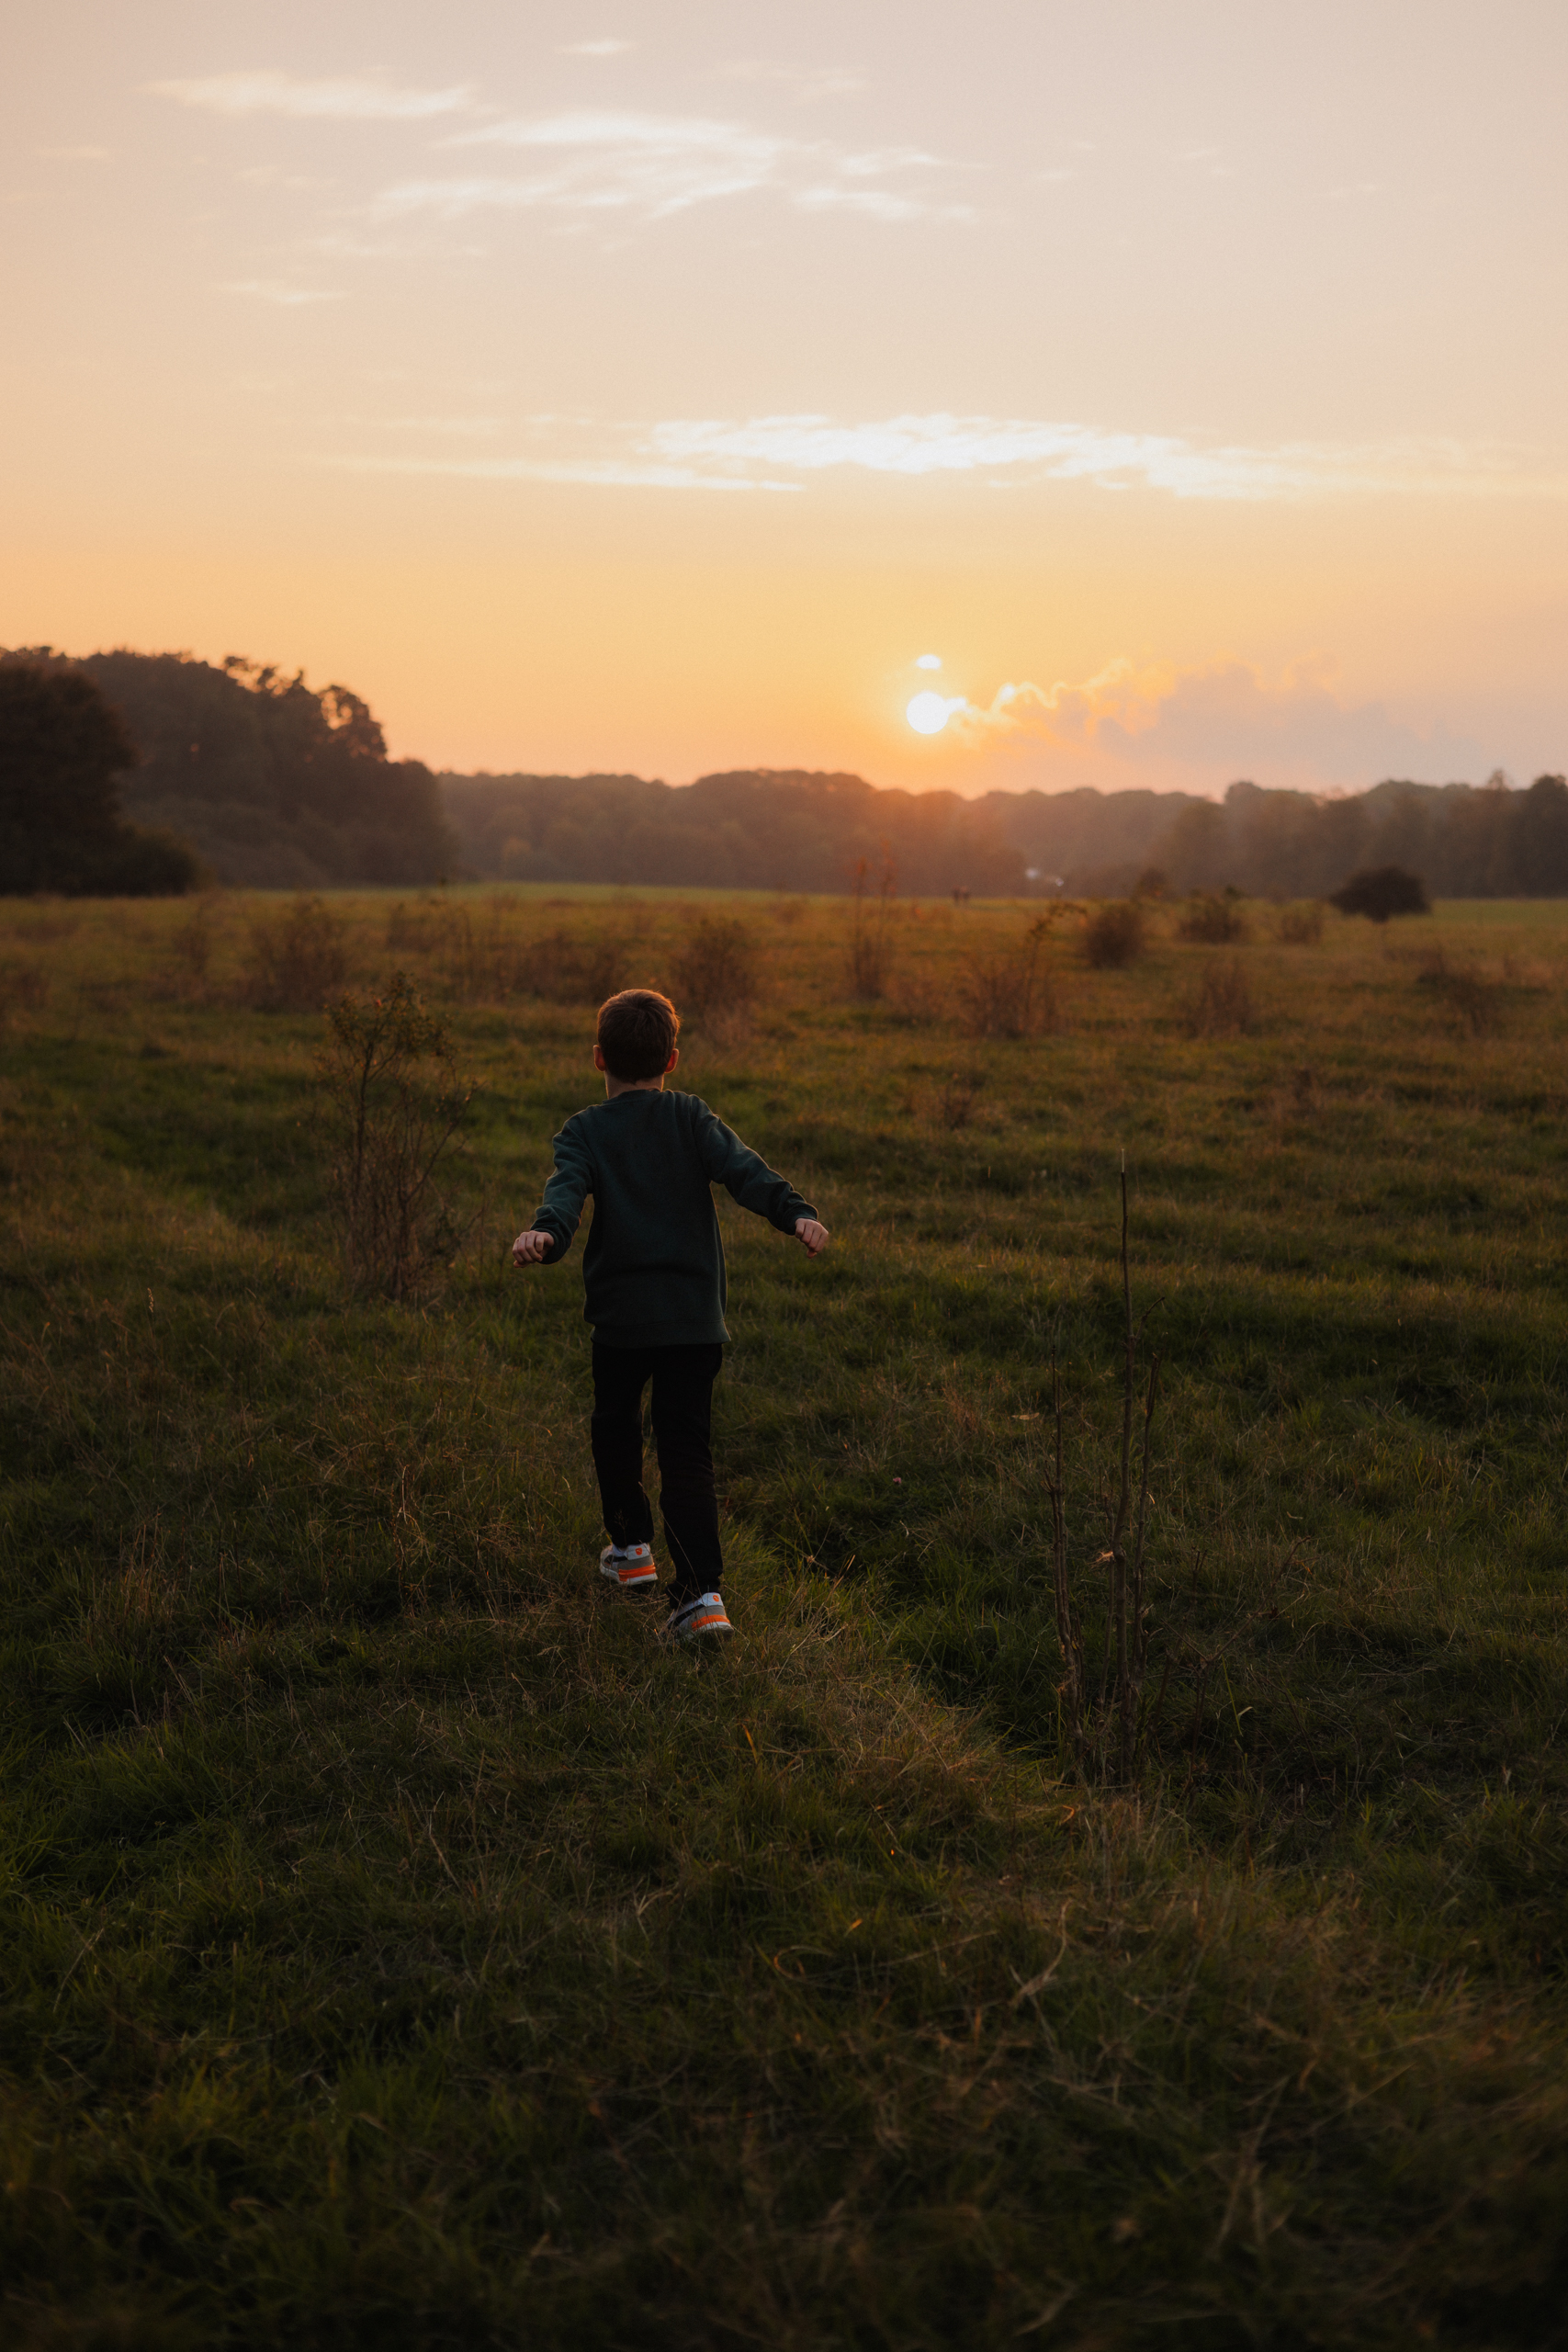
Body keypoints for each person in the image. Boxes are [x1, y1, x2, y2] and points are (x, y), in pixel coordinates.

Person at [512, 987, 829, 1642]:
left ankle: (630, 1551)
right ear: (673, 1059)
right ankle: (699, 1598)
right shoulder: (691, 1117)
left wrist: (546, 1236)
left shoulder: (584, 1131)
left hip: (623, 1323)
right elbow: (745, 1172)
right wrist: (795, 1211)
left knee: (615, 1427)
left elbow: (564, 1194)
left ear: (597, 1056)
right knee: (687, 1449)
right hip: (692, 1321)